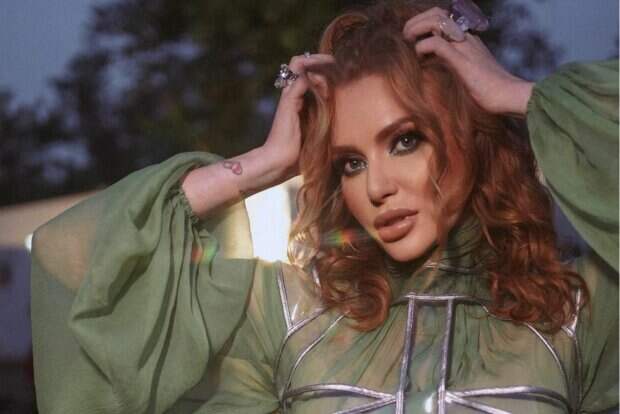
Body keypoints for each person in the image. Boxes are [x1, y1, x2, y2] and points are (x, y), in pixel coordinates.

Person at [30, 1, 618, 413]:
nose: (376, 187)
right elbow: (73, 263)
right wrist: (264, 162)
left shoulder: (577, 314)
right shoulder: (287, 316)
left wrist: (516, 94)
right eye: (350, 163)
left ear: (472, 135)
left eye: (405, 140)